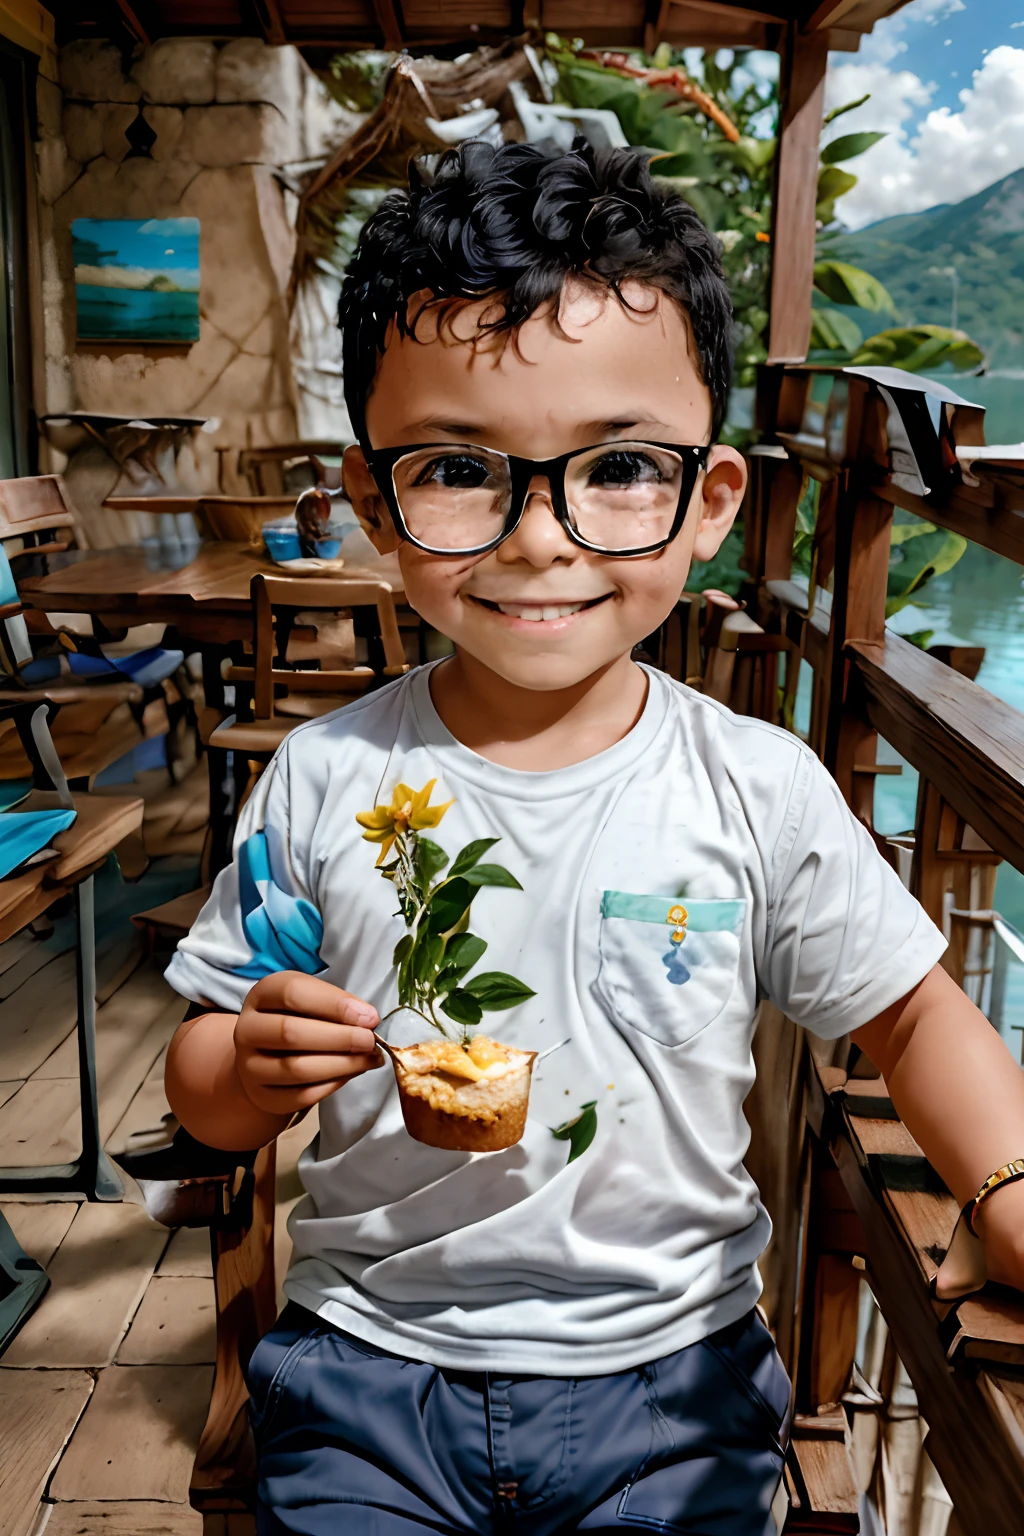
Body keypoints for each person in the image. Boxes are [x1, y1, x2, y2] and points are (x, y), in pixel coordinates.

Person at [164, 139, 1024, 1535]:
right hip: (367, 1371)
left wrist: (1005, 1186)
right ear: (372, 500)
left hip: (675, 1385)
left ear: (713, 502)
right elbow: (200, 1079)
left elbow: (919, 1020)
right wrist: (245, 1068)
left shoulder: (756, 784)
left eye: (618, 466)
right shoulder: (324, 778)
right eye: (458, 468)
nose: (539, 539)